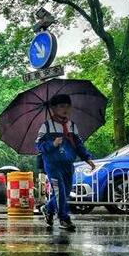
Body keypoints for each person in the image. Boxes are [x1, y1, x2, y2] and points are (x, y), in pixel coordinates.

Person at [37, 94, 96, 232]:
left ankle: (47, 208)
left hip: (68, 165)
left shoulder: (72, 126)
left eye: (68, 106)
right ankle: (64, 218)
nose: (66, 109)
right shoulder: (46, 126)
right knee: (59, 192)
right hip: (53, 165)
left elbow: (79, 145)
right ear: (53, 108)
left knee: (66, 192)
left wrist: (87, 159)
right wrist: (52, 143)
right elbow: (38, 146)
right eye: (62, 106)